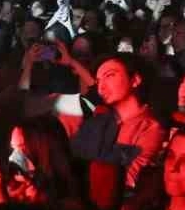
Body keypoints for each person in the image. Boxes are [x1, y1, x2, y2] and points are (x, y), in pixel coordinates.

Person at [60, 54, 166, 189]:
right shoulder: (100, 120)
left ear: (135, 80)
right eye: (98, 81)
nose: (101, 87)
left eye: (109, 76)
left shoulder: (150, 127)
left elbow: (131, 178)